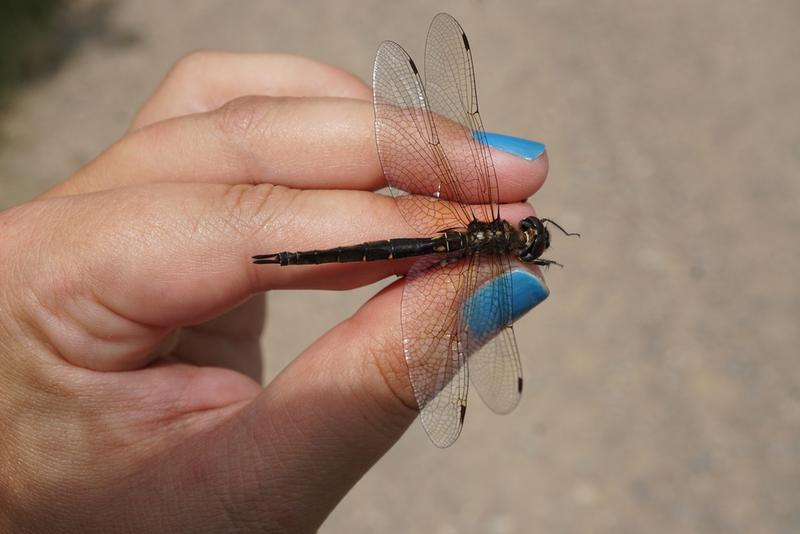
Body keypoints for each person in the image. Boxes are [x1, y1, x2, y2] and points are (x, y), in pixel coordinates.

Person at [0, 51, 549, 532]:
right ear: (514, 245)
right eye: (527, 241)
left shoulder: (480, 227)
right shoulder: (492, 247)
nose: (525, 239)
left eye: (526, 242)